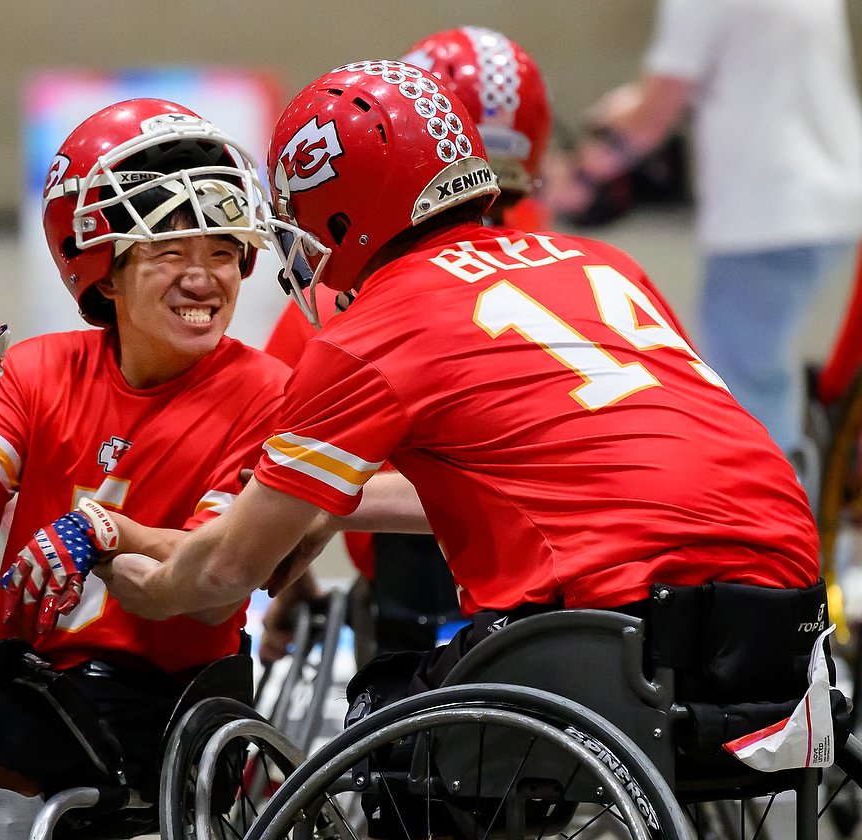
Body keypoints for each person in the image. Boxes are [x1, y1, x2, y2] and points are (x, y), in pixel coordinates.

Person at [101, 59, 824, 777]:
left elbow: (229, 567)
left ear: (339, 207)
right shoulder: (601, 262)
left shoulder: (372, 331)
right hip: (786, 613)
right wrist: (333, 506)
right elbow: (565, 473)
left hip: (618, 630)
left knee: (386, 735)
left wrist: (152, 588)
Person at [0, 99, 289, 840]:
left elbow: (216, 570)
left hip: (164, 694)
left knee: (10, 717)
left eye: (224, 252)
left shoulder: (266, 392)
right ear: (103, 274)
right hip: (27, 674)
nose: (203, 278)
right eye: (170, 250)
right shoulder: (39, 369)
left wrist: (104, 528)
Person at [260, 26, 554, 665]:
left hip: (443, 594)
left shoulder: (351, 310)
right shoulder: (582, 264)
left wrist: (314, 519)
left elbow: (267, 458)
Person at [545, 0, 862, 471]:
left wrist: (579, 174)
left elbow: (655, 112)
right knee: (773, 376)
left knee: (747, 390)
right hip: (834, 197)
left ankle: (768, 529)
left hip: (769, 214)